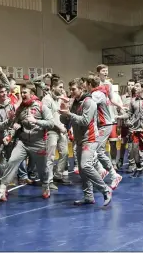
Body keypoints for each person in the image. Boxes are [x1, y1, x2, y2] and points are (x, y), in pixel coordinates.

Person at [0, 85, 54, 202]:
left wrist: (36, 121)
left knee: (42, 169)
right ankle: (1, 189)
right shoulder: (20, 108)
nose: (22, 95)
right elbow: (15, 124)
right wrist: (10, 135)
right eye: (22, 93)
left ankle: (45, 186)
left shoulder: (41, 106)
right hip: (23, 142)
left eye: (25, 92)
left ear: (32, 93)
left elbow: (51, 123)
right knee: (12, 161)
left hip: (38, 143)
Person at [59, 78, 112, 206]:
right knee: (82, 171)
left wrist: (69, 114)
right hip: (79, 140)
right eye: (70, 89)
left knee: (85, 165)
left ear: (81, 89)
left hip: (90, 139)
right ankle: (88, 196)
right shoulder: (74, 103)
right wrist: (64, 113)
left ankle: (105, 189)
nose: (71, 92)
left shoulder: (89, 102)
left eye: (74, 89)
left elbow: (84, 121)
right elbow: (65, 121)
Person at [85, 74, 122, 190]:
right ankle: (103, 170)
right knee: (96, 150)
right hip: (102, 125)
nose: (85, 87)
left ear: (90, 85)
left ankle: (112, 174)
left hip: (105, 125)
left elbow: (87, 103)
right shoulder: (99, 92)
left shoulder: (97, 94)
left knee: (96, 150)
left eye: (86, 85)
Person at [118, 79, 143, 177]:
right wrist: (121, 117)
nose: (134, 88)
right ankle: (139, 168)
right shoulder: (133, 101)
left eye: (137, 86)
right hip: (135, 129)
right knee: (134, 150)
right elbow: (129, 114)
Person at [41, 76, 71, 187]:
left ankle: (58, 176)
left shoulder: (59, 99)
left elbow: (60, 114)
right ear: (53, 87)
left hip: (61, 130)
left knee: (65, 153)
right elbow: (49, 119)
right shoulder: (46, 100)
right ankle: (48, 181)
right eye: (60, 87)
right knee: (51, 156)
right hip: (51, 131)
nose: (62, 89)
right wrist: (60, 127)